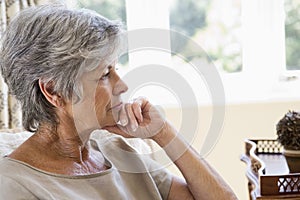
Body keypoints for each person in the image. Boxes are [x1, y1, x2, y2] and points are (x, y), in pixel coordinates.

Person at [0, 4, 237, 200]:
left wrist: (164, 132)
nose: (122, 85)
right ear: (54, 90)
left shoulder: (115, 150)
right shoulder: (15, 185)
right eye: (105, 74)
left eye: (116, 69)